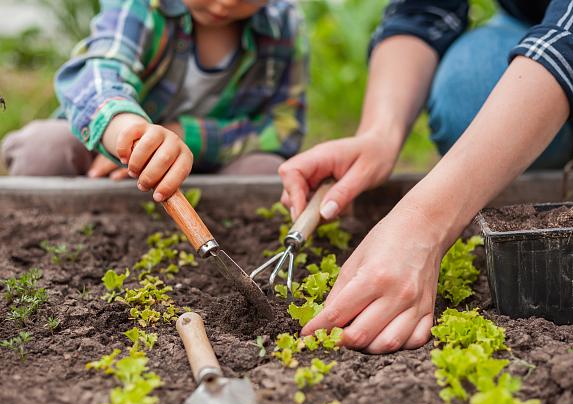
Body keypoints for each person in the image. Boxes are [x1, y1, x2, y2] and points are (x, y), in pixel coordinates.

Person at [279, 0, 572, 353]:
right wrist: (379, 134)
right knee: (467, 95)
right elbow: (421, 9)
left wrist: (425, 221)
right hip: (534, 17)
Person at [1, 0, 307, 200]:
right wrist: (125, 132)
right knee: (42, 149)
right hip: (107, 148)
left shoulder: (283, 25)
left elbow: (284, 128)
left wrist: (186, 137)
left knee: (268, 170)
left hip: (209, 168)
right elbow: (99, 68)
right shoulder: (142, 7)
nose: (227, 2)